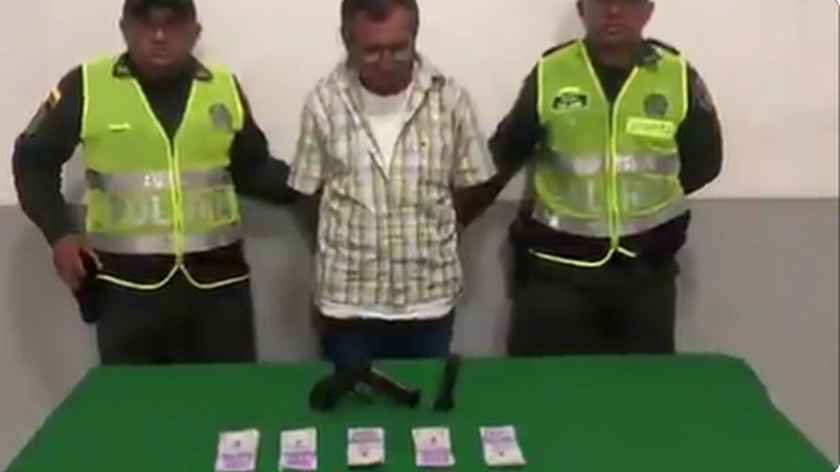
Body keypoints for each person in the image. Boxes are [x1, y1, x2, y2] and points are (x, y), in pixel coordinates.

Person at [11, 0, 297, 365]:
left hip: (217, 290)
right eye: (145, 23)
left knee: (226, 397)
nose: (159, 35)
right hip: (128, 293)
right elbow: (32, 160)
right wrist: (59, 233)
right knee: (137, 399)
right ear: (124, 28)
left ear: (194, 32)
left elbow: (253, 170)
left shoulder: (223, 88)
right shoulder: (86, 86)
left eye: (171, 23)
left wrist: (316, 185)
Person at [478, 0, 724, 356]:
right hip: (557, 273)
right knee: (545, 384)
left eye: (627, 2)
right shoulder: (551, 72)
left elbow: (705, 162)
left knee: (642, 386)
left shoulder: (677, 76)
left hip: (645, 272)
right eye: (602, 2)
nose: (614, 11)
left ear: (648, 11)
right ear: (582, 8)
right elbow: (506, 152)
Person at [288, 0, 496, 365]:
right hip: (347, 306)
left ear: (415, 36)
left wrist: (438, 231)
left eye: (399, 48)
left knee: (427, 400)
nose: (386, 62)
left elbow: (472, 186)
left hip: (428, 301)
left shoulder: (450, 100)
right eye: (371, 51)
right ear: (347, 42)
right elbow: (307, 194)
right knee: (350, 402)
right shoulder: (323, 103)